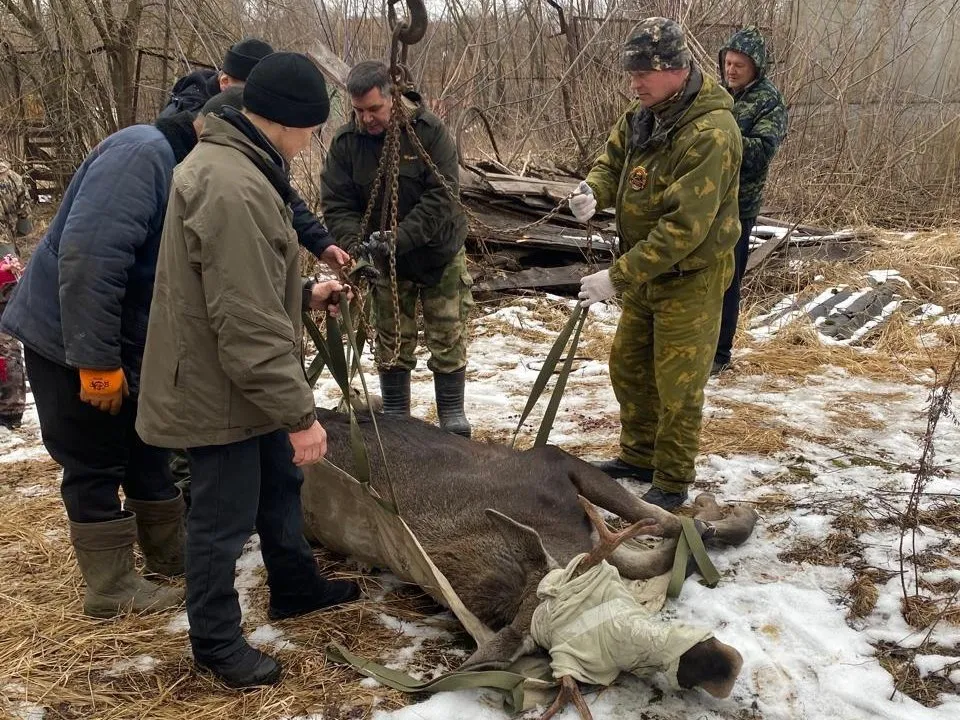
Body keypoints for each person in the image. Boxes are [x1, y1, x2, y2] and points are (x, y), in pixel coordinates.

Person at [136, 52, 361, 689]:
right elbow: (243, 321)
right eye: (311, 128)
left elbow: (243, 286)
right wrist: (300, 416)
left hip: (240, 377)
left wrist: (303, 294)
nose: (313, 139)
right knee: (220, 519)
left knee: (278, 486)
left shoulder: (244, 165)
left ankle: (293, 585)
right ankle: (214, 643)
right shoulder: (232, 184)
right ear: (290, 121)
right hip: (220, 389)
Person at [0, 102, 219, 617]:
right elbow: (91, 261)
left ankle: (168, 553)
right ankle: (112, 587)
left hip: (125, 336)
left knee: (148, 446)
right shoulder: (143, 154)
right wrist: (95, 363)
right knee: (93, 457)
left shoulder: (187, 166)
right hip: (68, 337)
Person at [571, 18, 743, 510]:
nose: (634, 81)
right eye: (631, 71)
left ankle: (671, 478)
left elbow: (683, 231)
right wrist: (593, 191)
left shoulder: (711, 132)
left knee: (679, 384)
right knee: (628, 367)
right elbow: (613, 160)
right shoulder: (644, 111)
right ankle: (639, 455)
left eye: (642, 71)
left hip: (689, 277)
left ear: (674, 68)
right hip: (646, 273)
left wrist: (616, 276)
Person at [321, 60, 473, 437]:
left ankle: (452, 415)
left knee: (447, 332)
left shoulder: (428, 132)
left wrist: (399, 237)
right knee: (391, 339)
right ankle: (396, 419)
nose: (367, 119)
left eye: (375, 109)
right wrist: (356, 246)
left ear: (393, 97)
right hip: (383, 260)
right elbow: (338, 204)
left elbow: (442, 195)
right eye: (358, 111)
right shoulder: (346, 144)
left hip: (437, 251)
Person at [712, 26, 788, 374]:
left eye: (738, 65)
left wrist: (721, 140)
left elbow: (761, 152)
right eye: (728, 63)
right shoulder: (720, 94)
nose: (731, 70)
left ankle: (719, 356)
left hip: (739, 206)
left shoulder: (769, 101)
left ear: (756, 67)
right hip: (707, 201)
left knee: (727, 281)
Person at [0, 161, 32, 429]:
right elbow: (25, 228)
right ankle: (11, 407)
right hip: (7, 260)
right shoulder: (13, 178)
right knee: (7, 336)